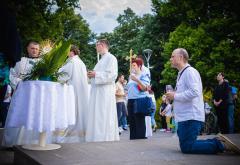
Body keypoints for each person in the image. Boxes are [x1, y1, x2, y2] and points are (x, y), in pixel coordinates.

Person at [166, 48, 240, 154]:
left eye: (173, 56)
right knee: (186, 145)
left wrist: (175, 95)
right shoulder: (181, 74)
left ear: (181, 57)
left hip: (190, 116)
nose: (170, 59)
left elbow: (195, 92)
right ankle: (218, 142)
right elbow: (185, 94)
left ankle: (220, 145)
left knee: (188, 147)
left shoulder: (190, 72)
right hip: (184, 117)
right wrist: (173, 96)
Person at [85, 39, 119, 142]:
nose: (96, 47)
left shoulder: (111, 58)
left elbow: (112, 75)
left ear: (103, 45)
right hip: (98, 92)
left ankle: (104, 137)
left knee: (103, 114)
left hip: (105, 92)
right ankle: (96, 137)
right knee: (98, 114)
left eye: (97, 45)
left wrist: (96, 74)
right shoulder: (102, 59)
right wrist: (91, 75)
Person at [56, 45, 89, 142]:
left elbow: (62, 76)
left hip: (72, 91)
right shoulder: (81, 62)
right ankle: (79, 136)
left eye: (67, 51)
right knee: (78, 112)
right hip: (81, 92)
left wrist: (56, 73)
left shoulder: (71, 61)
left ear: (71, 52)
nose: (66, 54)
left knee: (71, 112)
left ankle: (68, 138)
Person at [127, 58, 150, 140]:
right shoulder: (131, 77)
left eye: (134, 65)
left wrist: (137, 80)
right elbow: (129, 89)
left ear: (139, 66)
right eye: (131, 66)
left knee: (139, 121)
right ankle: (133, 139)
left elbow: (145, 88)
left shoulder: (144, 75)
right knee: (132, 122)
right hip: (130, 100)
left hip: (139, 100)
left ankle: (141, 139)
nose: (132, 67)